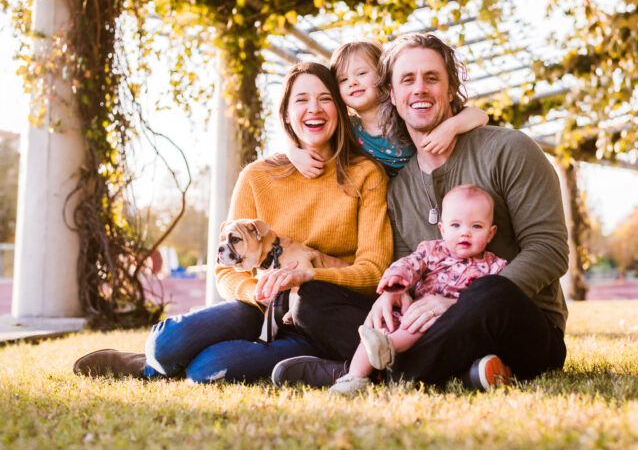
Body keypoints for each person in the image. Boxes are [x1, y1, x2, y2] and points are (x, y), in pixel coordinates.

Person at [273, 33, 569, 390]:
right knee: (312, 299)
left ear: (450, 88)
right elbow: (405, 264)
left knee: (493, 291)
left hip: (517, 322)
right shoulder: (398, 188)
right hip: (430, 326)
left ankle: (370, 373)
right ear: (391, 95)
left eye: (432, 78)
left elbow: (549, 250)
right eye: (407, 80)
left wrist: (453, 304)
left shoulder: (509, 150)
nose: (420, 89)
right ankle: (456, 370)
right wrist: (394, 294)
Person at [73, 62, 393, 383]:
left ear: (339, 109)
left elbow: (374, 270)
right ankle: (154, 362)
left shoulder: (365, 174)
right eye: (301, 100)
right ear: (285, 113)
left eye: (325, 99)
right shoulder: (256, 177)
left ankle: (178, 367)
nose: (314, 109)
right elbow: (225, 270)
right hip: (256, 306)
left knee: (208, 369)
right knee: (165, 343)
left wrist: (307, 278)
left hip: (315, 318)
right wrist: (260, 294)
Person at [329, 184, 508, 395]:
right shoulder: (432, 251)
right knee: (383, 325)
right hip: (415, 311)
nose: (465, 233)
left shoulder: (494, 266)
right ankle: (355, 377)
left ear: (491, 233)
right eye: (456, 225)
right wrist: (396, 280)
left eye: (476, 227)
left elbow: (494, 300)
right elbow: (411, 263)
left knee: (420, 324)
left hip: (451, 324)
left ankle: (389, 348)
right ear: (442, 229)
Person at [288, 40, 488, 176]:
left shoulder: (403, 111)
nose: (353, 83)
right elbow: (307, 138)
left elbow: (479, 115)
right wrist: (294, 154)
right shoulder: (347, 127)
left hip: (427, 182)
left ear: (384, 75)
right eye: (343, 79)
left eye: (361, 73)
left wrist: (451, 127)